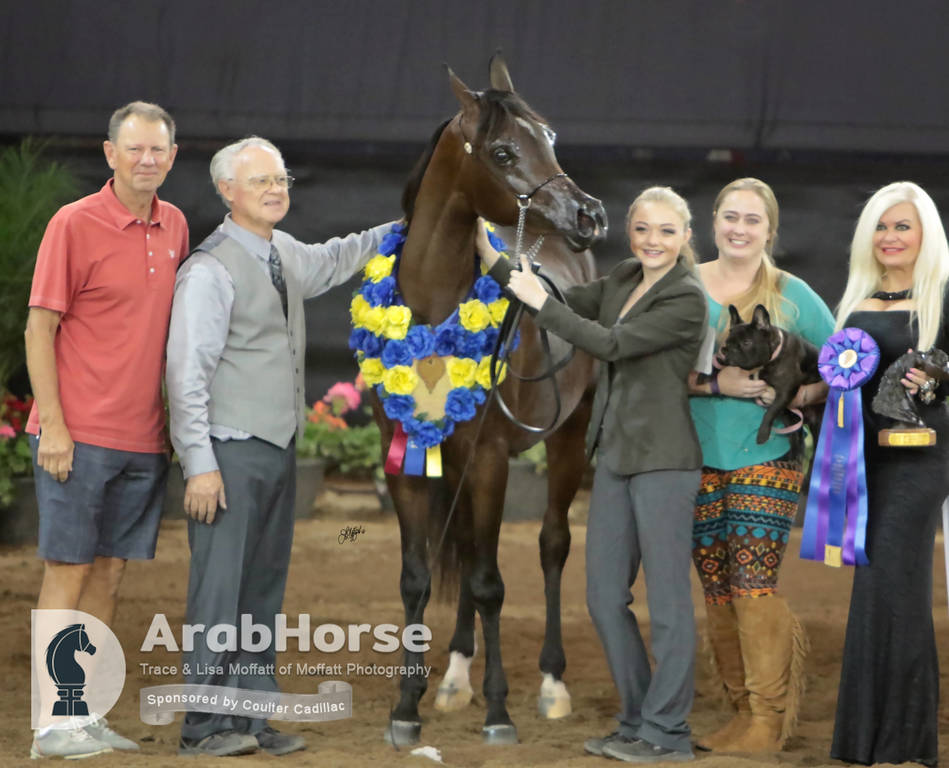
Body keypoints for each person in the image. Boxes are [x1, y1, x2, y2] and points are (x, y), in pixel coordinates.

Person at [166, 136, 395, 758]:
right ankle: (204, 726)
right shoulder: (208, 269)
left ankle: (252, 715)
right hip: (229, 453)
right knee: (219, 591)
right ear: (227, 192)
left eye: (282, 178)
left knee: (261, 591)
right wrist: (200, 465)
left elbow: (333, 258)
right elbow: (185, 374)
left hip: (275, 447)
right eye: (261, 180)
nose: (276, 189)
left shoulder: (282, 250)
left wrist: (403, 228)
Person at [477, 186, 707, 763]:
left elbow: (610, 343)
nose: (652, 241)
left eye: (665, 231)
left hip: (664, 463)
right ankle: (637, 721)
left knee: (670, 607)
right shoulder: (626, 278)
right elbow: (569, 299)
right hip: (616, 461)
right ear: (630, 233)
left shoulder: (686, 299)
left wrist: (540, 300)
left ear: (684, 238)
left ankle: (668, 732)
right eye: (643, 229)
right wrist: (505, 263)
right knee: (605, 598)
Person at [24, 101, 186, 759]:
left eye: (158, 150)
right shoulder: (74, 223)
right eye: (135, 149)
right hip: (78, 435)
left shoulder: (174, 224)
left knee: (110, 576)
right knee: (67, 570)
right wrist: (54, 427)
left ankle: (82, 714)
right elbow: (40, 328)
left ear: (172, 157)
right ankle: (50, 727)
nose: (147, 159)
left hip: (142, 440)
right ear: (109, 153)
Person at [686, 177, 834, 752]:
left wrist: (799, 398)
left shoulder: (796, 295)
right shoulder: (685, 285)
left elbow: (844, 365)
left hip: (767, 458)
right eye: (730, 216)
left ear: (770, 230)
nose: (739, 228)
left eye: (752, 219)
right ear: (714, 221)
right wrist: (711, 383)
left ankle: (768, 720)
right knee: (717, 588)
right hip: (696, 458)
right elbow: (651, 369)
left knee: (752, 585)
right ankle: (742, 712)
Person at [829, 181, 949, 768]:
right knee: (876, 584)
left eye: (902, 225)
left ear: (925, 232)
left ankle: (903, 740)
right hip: (861, 459)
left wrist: (937, 382)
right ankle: (870, 739)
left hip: (922, 459)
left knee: (890, 583)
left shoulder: (943, 299)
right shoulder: (855, 301)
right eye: (881, 226)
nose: (890, 237)